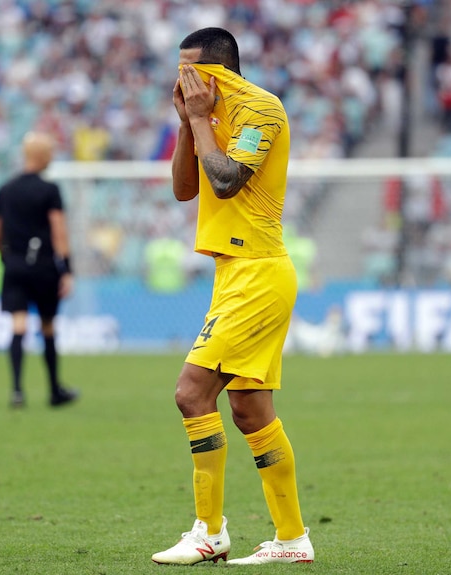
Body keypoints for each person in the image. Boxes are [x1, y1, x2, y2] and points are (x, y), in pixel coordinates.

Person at [151, 28, 314, 566]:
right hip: (233, 272)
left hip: (259, 273)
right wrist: (185, 123)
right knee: (249, 408)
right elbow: (185, 188)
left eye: (194, 72)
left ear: (221, 70)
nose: (186, 82)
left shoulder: (261, 111)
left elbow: (225, 182)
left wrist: (199, 119)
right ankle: (292, 538)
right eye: (181, 72)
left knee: (191, 393)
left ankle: (209, 532)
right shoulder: (207, 110)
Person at [0, 132, 78, 409]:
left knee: (18, 325)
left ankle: (17, 391)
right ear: (42, 156)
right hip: (42, 267)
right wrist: (66, 269)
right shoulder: (49, 190)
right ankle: (54, 390)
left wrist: (6, 256)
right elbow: (59, 231)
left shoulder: (6, 189)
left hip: (14, 264)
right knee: (48, 326)